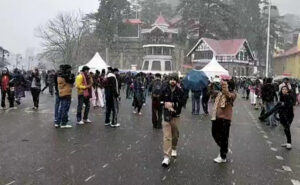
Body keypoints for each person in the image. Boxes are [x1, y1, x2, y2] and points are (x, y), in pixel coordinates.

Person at [211, 79, 237, 163]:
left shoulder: (232, 94)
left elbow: (228, 95)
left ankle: (223, 156)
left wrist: (225, 86)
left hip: (225, 119)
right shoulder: (219, 93)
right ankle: (224, 148)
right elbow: (211, 92)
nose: (222, 87)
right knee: (214, 133)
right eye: (222, 85)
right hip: (216, 117)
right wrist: (211, 84)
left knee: (224, 137)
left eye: (225, 85)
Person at [161, 73, 184, 167]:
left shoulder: (180, 91)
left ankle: (174, 147)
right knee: (167, 136)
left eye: (174, 79)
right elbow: (160, 100)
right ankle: (166, 156)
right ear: (169, 80)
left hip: (176, 115)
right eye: (171, 79)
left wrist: (173, 105)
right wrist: (164, 104)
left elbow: (182, 102)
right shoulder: (164, 89)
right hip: (166, 115)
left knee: (175, 134)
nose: (172, 81)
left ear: (177, 80)